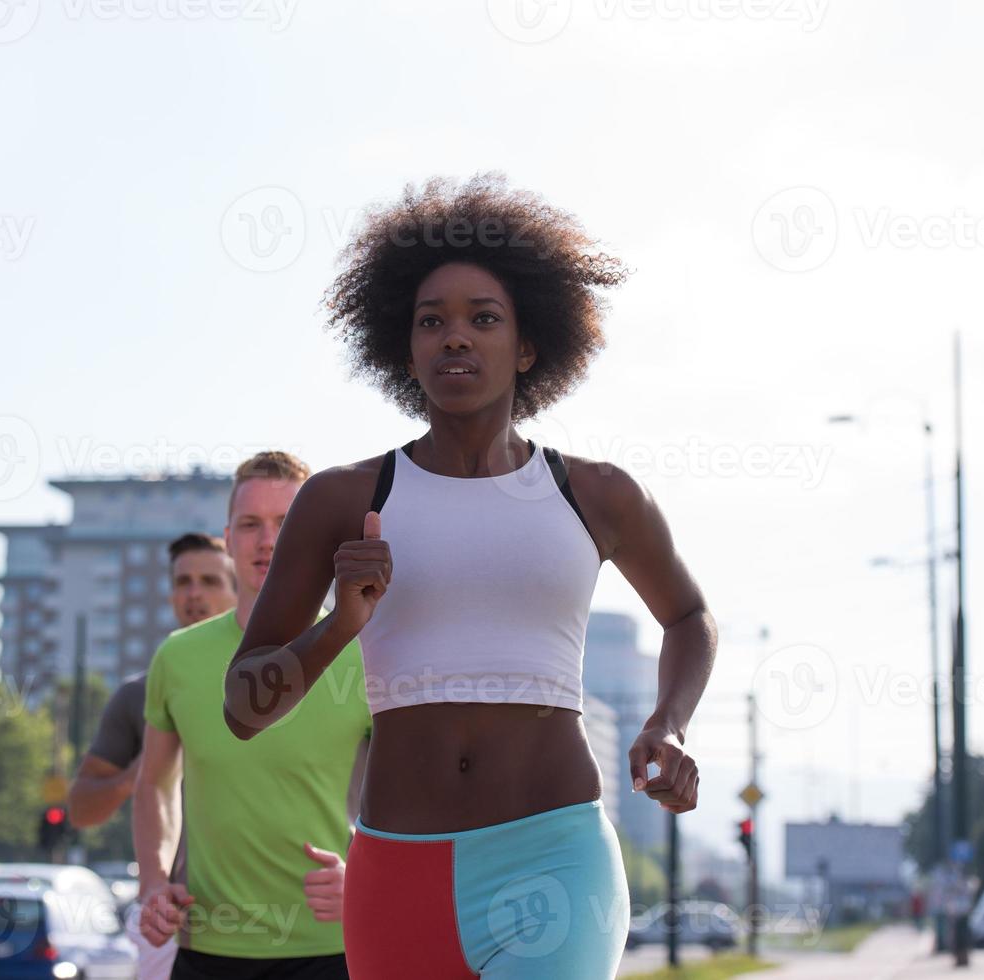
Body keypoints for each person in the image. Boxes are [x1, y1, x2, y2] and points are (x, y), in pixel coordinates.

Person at [223, 173, 717, 979]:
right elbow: (242, 709)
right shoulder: (343, 498)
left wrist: (668, 723)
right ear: (404, 347)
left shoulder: (595, 494)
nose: (456, 337)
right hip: (394, 871)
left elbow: (689, 616)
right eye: (431, 322)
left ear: (526, 346)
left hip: (553, 861)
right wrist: (339, 625)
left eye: (482, 319)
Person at [134, 451, 372, 980]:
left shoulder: (366, 653)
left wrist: (365, 875)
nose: (267, 540)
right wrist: (152, 880)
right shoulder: (177, 657)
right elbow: (154, 783)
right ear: (227, 540)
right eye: (250, 525)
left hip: (332, 951)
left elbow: (414, 797)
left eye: (286, 523)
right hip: (206, 952)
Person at [69, 532, 237, 979]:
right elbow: (81, 809)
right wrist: (143, 772)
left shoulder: (277, 683)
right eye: (183, 582)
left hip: (280, 917)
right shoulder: (137, 696)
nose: (194, 593)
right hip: (172, 918)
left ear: (239, 590)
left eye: (209, 581)